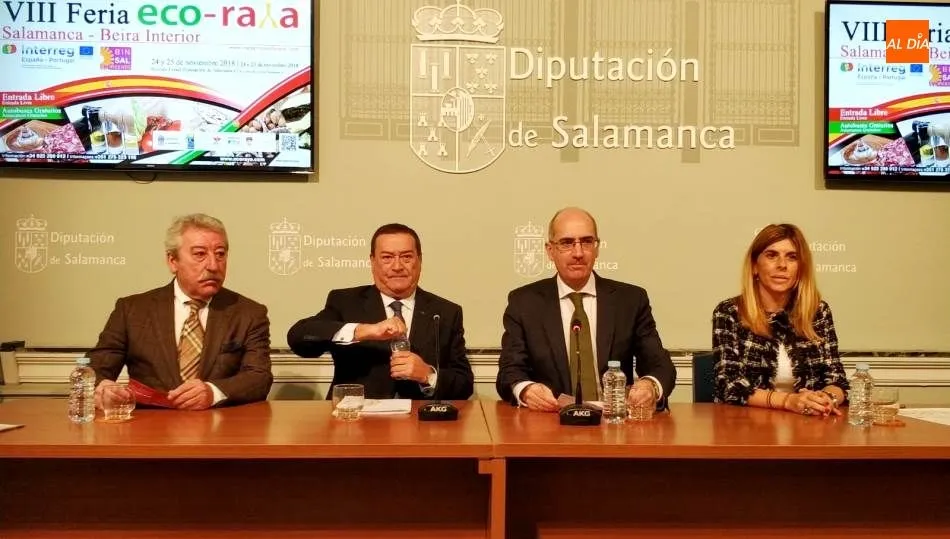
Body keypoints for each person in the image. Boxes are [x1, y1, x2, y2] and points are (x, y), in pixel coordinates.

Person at [496, 207, 676, 412]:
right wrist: (526, 389)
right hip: (551, 422)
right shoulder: (524, 302)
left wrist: (650, 385)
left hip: (613, 424)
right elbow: (509, 372)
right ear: (550, 251)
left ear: (597, 248)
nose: (578, 253)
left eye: (587, 242)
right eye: (566, 243)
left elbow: (660, 365)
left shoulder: (630, 300)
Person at [89, 214, 273, 410]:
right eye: (200, 254)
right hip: (148, 428)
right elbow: (95, 369)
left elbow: (259, 378)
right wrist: (102, 388)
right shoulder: (132, 310)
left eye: (220, 254)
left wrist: (212, 392)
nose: (213, 265)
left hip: (219, 429)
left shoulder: (248, 313)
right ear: (172, 261)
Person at [287, 223, 474, 400]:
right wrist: (365, 330)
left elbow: (464, 384)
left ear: (420, 260)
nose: (397, 266)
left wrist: (428, 375)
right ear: (372, 261)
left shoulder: (446, 312)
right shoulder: (345, 302)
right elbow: (299, 338)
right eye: (387, 257)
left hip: (421, 423)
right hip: (357, 423)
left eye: (406, 257)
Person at [712, 223, 848, 416]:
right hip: (747, 426)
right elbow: (730, 385)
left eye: (792, 257)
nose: (782, 265)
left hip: (809, 424)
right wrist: (788, 401)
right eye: (771, 255)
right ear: (754, 266)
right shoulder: (730, 312)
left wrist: (826, 399)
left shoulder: (818, 311)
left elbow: (836, 378)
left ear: (801, 269)